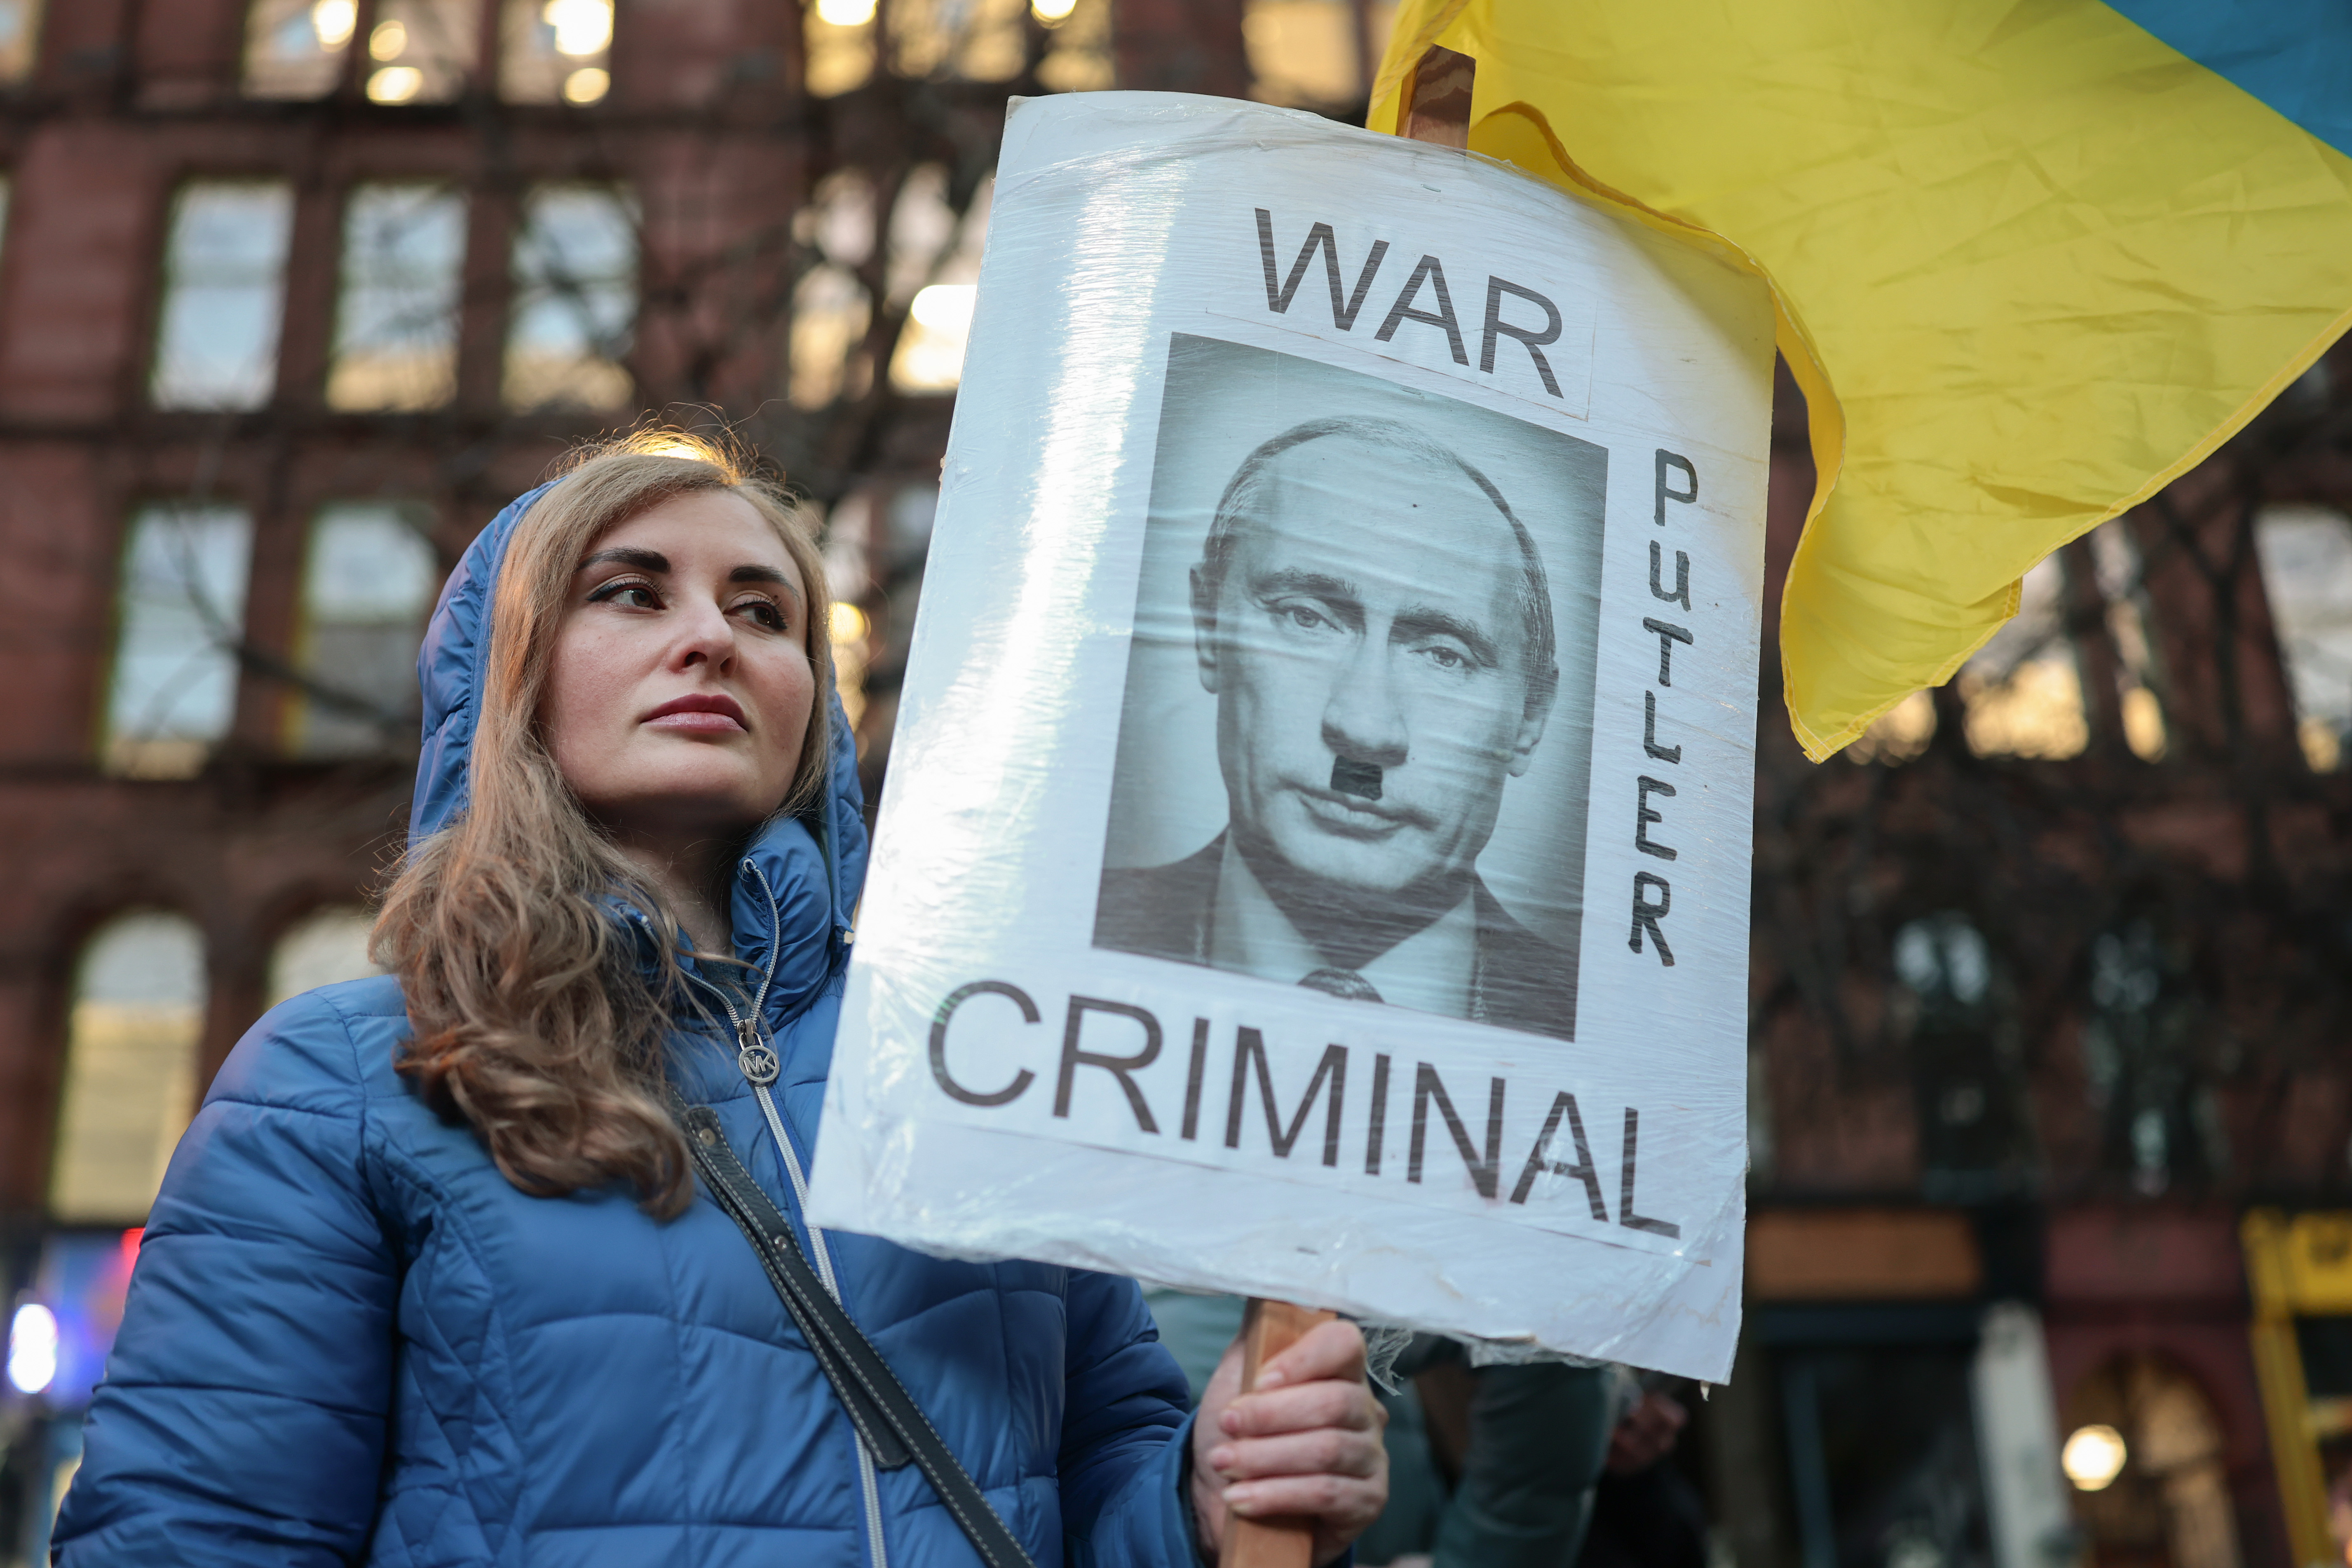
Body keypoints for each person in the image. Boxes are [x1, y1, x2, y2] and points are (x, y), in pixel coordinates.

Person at [51, 435, 1387, 1566]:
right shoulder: (341, 1083)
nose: (711, 636)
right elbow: (194, 1533)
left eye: (764, 611)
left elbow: (1101, 1467)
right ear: (511, 676)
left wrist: (1199, 1492)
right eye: (632, 593)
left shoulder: (981, 1055)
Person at [1094, 415, 1577, 1040]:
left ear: (1530, 717)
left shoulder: (1618, 1032)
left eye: (1443, 654)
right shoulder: (1043, 927)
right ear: (1209, 629)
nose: (1365, 730)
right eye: (1307, 618)